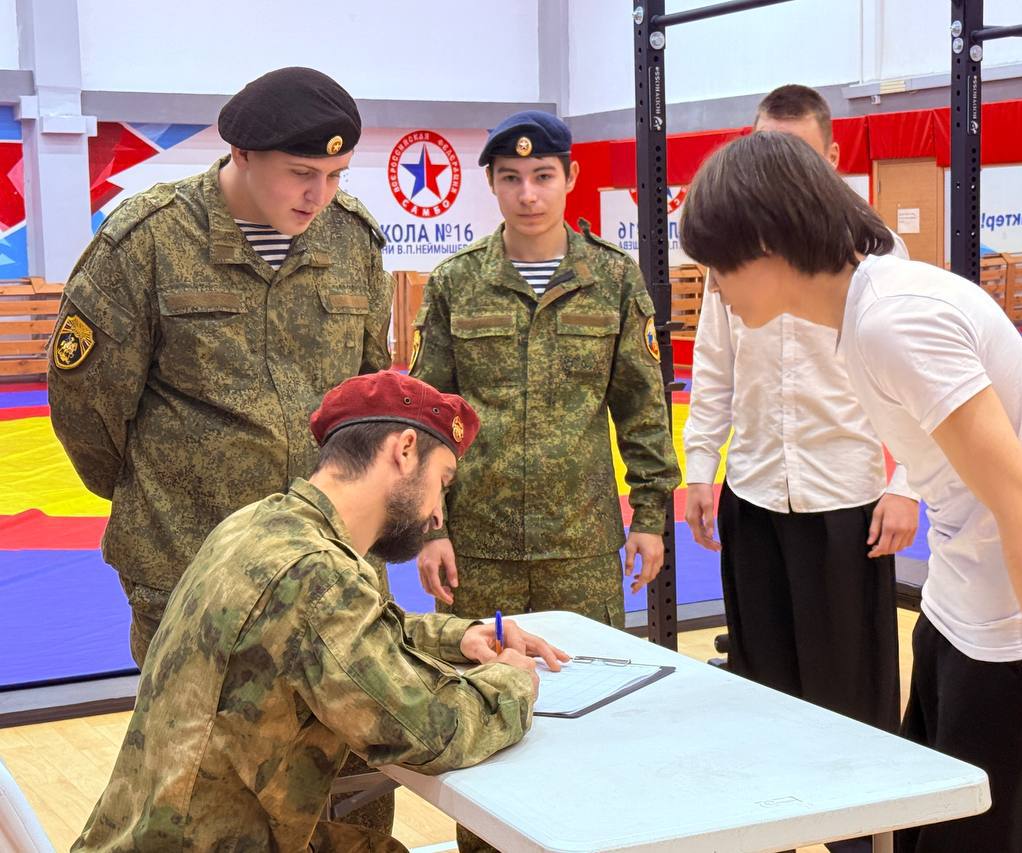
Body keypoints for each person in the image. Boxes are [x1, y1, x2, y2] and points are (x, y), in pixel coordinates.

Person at [679, 132, 1022, 853]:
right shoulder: (864, 310)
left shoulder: (895, 320)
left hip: (1019, 634)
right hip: (959, 611)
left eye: (717, 264)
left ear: (765, 244)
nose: (715, 287)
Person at [47, 67, 398, 829]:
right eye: (302, 174)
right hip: (189, 575)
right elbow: (86, 408)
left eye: (336, 174)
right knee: (200, 804)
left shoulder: (353, 240)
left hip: (326, 577)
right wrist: (161, 492)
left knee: (349, 795)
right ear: (239, 154)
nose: (320, 194)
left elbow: (369, 402)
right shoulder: (147, 241)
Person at [73, 371, 568, 853]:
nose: (438, 512)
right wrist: (511, 679)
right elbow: (433, 730)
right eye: (442, 481)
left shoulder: (261, 523)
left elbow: (343, 631)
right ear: (404, 450)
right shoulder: (317, 574)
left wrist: (458, 637)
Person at [684, 85, 918, 752]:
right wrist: (701, 466)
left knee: (852, 700)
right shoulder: (730, 248)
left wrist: (905, 486)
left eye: (798, 155)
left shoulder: (875, 251)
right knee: (761, 690)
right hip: (753, 492)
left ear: (833, 155)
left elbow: (912, 386)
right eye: (767, 151)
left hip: (845, 498)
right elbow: (713, 362)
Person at [410, 110, 681, 627]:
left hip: (581, 547)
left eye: (543, 177)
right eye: (510, 178)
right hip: (479, 547)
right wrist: (431, 529)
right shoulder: (455, 282)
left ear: (570, 178)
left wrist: (650, 518)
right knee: (481, 692)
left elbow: (642, 408)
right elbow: (426, 419)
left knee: (590, 684)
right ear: (490, 182)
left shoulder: (613, 278)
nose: (528, 195)